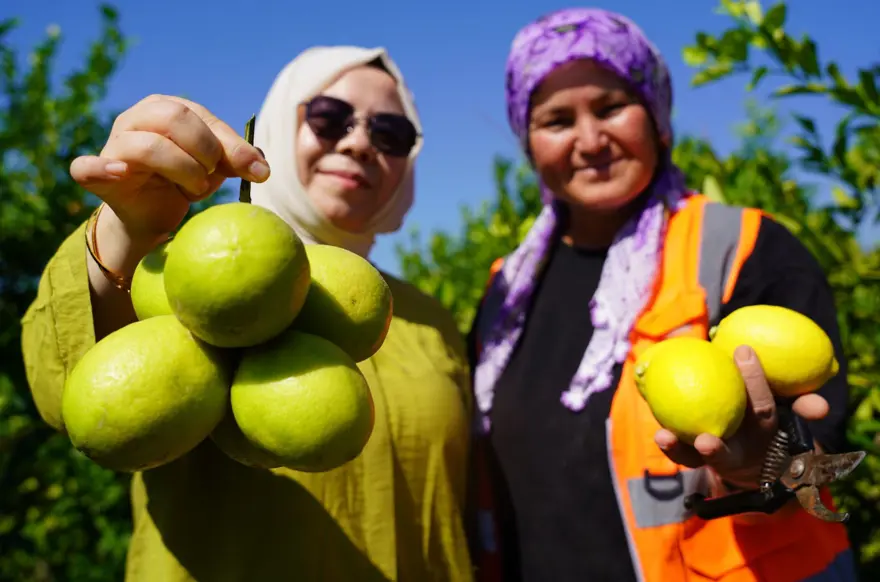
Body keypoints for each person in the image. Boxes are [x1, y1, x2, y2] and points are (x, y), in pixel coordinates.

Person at [21, 46, 474, 582]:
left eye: (391, 133)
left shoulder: (431, 319)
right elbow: (62, 390)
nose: (358, 143)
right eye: (330, 118)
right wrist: (126, 234)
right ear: (280, 127)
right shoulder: (176, 274)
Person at [467, 8, 856, 582]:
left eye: (610, 108)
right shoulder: (506, 292)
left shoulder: (740, 246)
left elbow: (816, 444)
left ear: (656, 117)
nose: (590, 140)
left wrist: (764, 466)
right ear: (528, 143)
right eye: (556, 120)